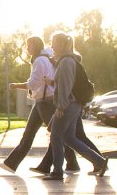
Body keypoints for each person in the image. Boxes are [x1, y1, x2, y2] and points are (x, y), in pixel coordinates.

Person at [0, 36, 77, 172]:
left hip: (46, 102)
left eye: (29, 45)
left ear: (35, 45)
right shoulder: (44, 58)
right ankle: (12, 164)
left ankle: (62, 163)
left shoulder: (40, 61)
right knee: (34, 134)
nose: (27, 48)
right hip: (41, 100)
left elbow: (34, 84)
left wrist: (16, 86)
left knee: (55, 134)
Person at [46, 31, 110, 179]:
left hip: (68, 105)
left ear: (62, 44)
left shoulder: (67, 62)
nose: (52, 46)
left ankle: (57, 172)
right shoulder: (66, 61)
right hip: (73, 104)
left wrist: (61, 106)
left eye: (54, 42)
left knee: (56, 136)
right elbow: (65, 82)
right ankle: (99, 162)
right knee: (69, 138)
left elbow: (66, 86)